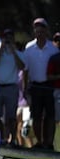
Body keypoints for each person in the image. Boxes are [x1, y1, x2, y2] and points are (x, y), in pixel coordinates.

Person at [24, 18, 59, 150]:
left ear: (46, 31)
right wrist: (25, 87)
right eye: (37, 30)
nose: (39, 33)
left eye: (42, 30)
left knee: (50, 116)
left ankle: (48, 142)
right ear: (34, 31)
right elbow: (26, 71)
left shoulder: (53, 48)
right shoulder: (29, 47)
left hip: (49, 86)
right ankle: (39, 142)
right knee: (36, 116)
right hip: (35, 86)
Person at [0, 29, 25, 147]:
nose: (8, 39)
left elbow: (22, 66)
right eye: (6, 37)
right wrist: (2, 48)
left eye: (10, 37)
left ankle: (13, 139)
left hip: (11, 88)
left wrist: (14, 52)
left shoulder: (18, 53)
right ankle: (2, 138)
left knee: (11, 116)